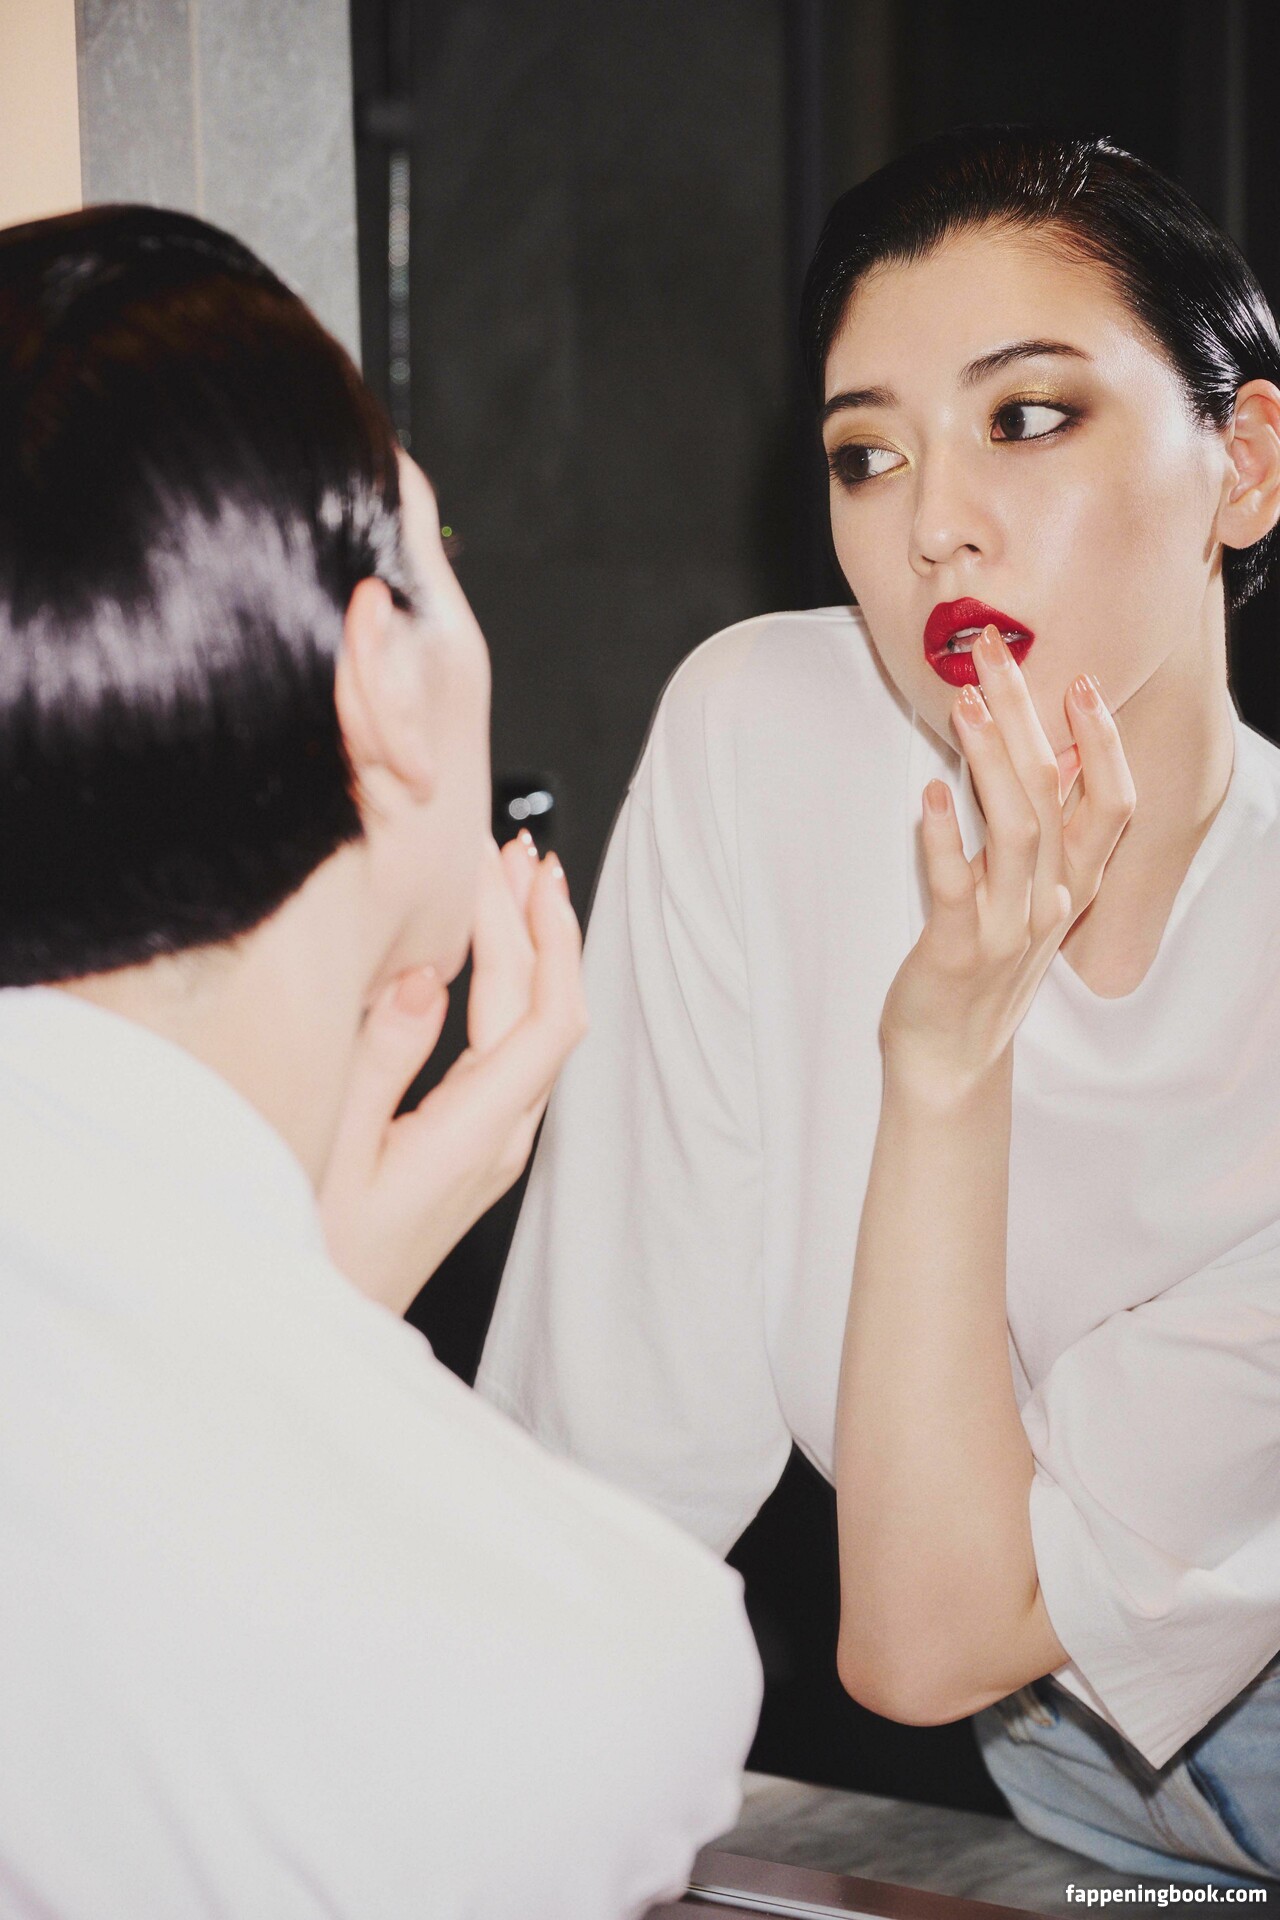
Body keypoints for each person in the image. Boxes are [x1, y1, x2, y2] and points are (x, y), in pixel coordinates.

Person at [477, 128, 1280, 1884]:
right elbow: (606, 1460)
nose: (933, 524)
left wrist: (944, 1061)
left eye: (1028, 417)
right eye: (867, 453)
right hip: (1063, 1794)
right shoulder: (767, 735)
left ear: (1243, 465)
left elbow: (930, 1640)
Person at [0, 203, 761, 1919]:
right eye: (443, 546)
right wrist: (318, 1328)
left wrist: (312, 1285)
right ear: (379, 690)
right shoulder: (581, 1662)